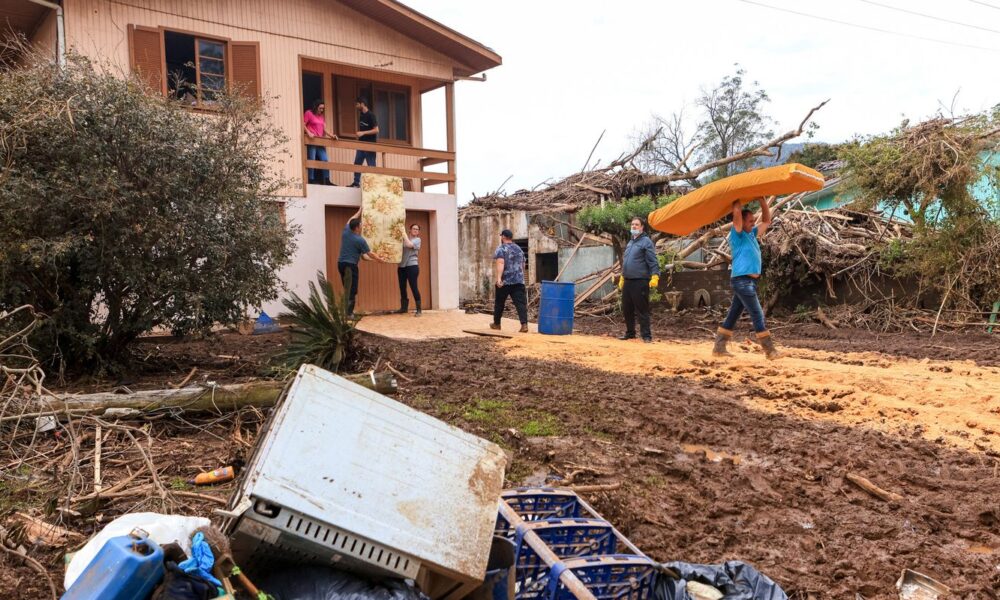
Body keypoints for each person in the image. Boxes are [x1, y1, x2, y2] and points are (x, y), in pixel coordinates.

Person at [713, 198, 781, 359]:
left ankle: (719, 348)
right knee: (757, 314)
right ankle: (770, 350)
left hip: (748, 281)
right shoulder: (736, 235)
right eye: (750, 221)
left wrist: (762, 200)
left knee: (733, 314)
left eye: (752, 221)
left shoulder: (752, 234)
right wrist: (737, 197)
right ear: (740, 222)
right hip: (742, 281)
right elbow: (736, 211)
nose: (753, 223)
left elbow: (766, 220)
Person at [618, 217, 660, 343]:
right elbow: (626, 261)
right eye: (632, 224)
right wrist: (622, 276)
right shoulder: (631, 242)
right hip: (628, 281)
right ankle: (630, 333)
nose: (634, 226)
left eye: (636, 225)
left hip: (640, 281)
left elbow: (652, 260)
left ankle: (646, 336)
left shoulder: (646, 242)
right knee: (627, 309)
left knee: (642, 310)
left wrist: (655, 275)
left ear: (642, 227)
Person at [338, 207, 384, 317]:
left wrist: (359, 211)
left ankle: (347, 312)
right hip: (351, 266)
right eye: (361, 225)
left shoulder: (346, 232)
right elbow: (369, 254)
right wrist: (379, 260)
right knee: (352, 289)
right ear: (357, 228)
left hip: (340, 264)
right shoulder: (360, 240)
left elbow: (351, 219)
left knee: (347, 288)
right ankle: (349, 314)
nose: (362, 226)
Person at [491, 229, 528, 333]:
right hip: (519, 281)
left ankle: (497, 324)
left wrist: (498, 279)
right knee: (520, 304)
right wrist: (521, 278)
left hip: (505, 282)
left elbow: (501, 263)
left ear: (503, 237)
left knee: (499, 303)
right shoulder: (519, 249)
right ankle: (524, 325)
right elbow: (523, 265)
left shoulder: (501, 249)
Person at [303, 100, 337, 186]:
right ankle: (311, 179)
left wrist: (331, 136)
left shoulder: (321, 117)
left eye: (323, 108)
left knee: (325, 159)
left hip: (320, 141)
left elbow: (324, 129)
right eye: (320, 108)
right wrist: (308, 133)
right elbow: (303, 124)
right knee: (312, 159)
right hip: (312, 140)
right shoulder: (309, 113)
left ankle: (327, 180)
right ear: (316, 106)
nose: (321, 110)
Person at [349, 97, 379, 188]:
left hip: (370, 144)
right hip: (361, 144)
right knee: (357, 162)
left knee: (371, 164)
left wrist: (363, 133)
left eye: (357, 104)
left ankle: (374, 185)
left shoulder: (371, 115)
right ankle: (356, 183)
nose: (356, 106)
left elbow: (376, 130)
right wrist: (359, 134)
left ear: (362, 104)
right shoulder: (361, 115)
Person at [395, 222, 422, 316]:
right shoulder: (403, 239)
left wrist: (404, 233)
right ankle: (403, 308)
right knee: (402, 287)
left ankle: (419, 310)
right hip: (401, 267)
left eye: (417, 229)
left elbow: (409, 245)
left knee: (414, 287)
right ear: (410, 230)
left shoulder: (417, 240)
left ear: (418, 232)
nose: (415, 230)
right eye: (414, 228)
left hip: (412, 266)